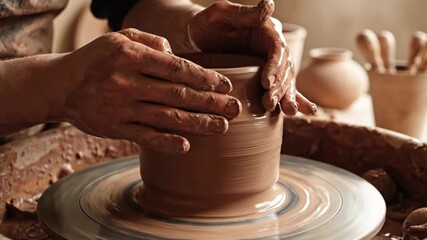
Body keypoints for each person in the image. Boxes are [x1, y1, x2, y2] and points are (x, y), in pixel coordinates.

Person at [0, 0, 316, 154]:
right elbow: (53, 86)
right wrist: (56, 87)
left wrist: (192, 28)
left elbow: (130, 2)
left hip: (29, 136)